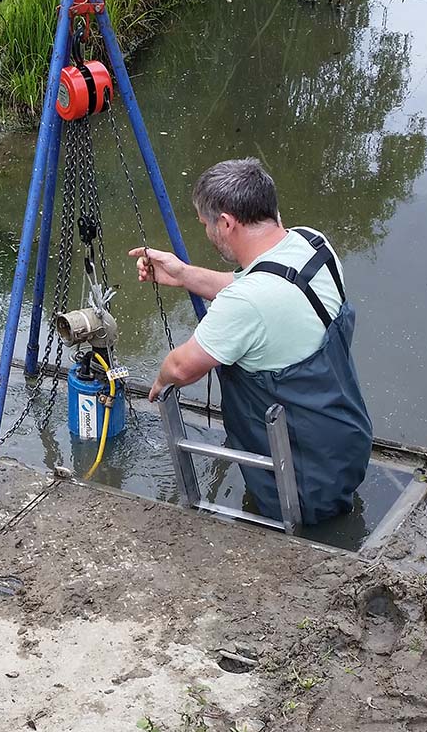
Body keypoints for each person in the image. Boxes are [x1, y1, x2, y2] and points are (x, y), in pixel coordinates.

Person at [129, 157, 373, 526]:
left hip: (299, 483)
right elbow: (258, 288)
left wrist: (162, 382)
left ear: (225, 223)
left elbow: (183, 365)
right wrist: (183, 274)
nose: (207, 232)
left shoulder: (245, 303)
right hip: (346, 442)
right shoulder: (313, 245)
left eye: (206, 224)